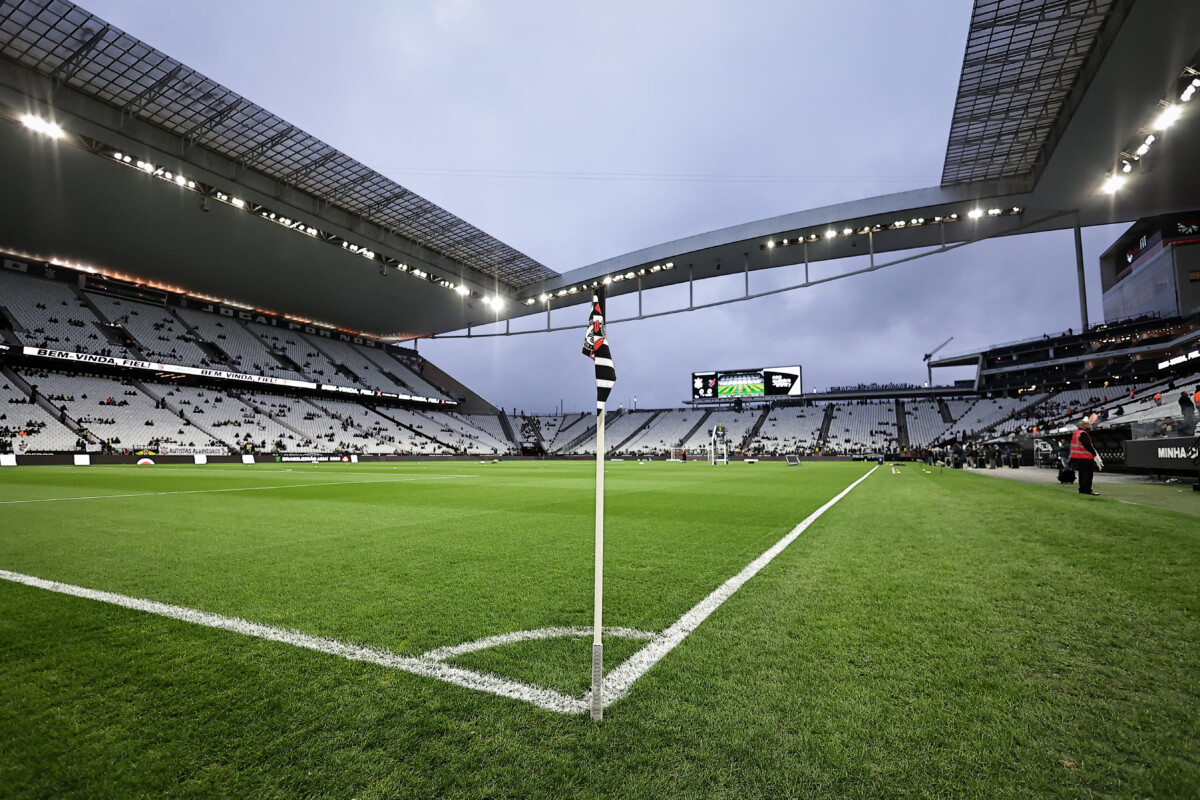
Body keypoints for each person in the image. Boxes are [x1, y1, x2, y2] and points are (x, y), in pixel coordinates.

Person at [1069, 419, 1103, 496]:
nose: (1090, 427)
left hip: (1077, 457)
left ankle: (1082, 489)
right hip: (1086, 457)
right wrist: (1094, 453)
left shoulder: (1076, 433)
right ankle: (1087, 490)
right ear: (1085, 426)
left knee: (1081, 474)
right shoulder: (1083, 434)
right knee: (1088, 475)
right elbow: (1087, 445)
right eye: (1088, 425)